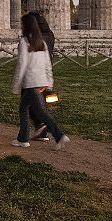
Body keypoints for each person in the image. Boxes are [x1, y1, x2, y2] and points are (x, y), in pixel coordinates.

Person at [11, 12, 70, 149]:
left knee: (40, 113)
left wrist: (16, 85)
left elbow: (22, 64)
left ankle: (59, 135)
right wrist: (49, 83)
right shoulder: (42, 43)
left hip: (31, 83)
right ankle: (22, 138)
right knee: (24, 108)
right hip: (40, 81)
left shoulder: (24, 42)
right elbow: (48, 65)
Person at [27, 10, 57, 140]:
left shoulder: (34, 36)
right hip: (46, 70)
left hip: (34, 72)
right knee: (41, 101)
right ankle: (44, 130)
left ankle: (41, 129)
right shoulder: (50, 34)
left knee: (30, 103)